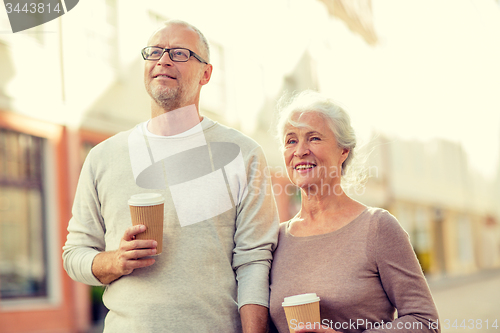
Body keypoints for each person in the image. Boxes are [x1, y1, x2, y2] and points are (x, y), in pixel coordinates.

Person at [63, 20, 279, 333]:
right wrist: (115, 261)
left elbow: (253, 261)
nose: (164, 59)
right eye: (155, 52)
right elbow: (75, 255)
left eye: (180, 53)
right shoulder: (103, 156)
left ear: (206, 74)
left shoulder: (243, 154)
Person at [269, 90, 440, 333]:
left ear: (343, 151)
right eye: (291, 140)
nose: (300, 151)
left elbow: (426, 322)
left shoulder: (377, 227)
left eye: (314, 138)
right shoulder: (275, 240)